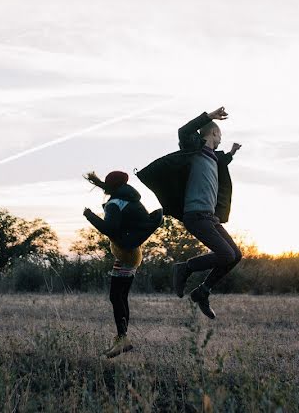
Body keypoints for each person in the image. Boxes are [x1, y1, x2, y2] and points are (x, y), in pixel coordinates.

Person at [135, 106, 242, 319]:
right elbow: (183, 131)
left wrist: (231, 153)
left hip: (210, 218)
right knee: (225, 254)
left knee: (235, 256)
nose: (221, 139)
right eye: (220, 135)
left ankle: (202, 291)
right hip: (195, 215)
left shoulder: (213, 157)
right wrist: (208, 117)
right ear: (213, 133)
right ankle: (185, 268)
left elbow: (220, 162)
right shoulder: (194, 149)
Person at [83, 170, 163, 358]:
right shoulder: (128, 199)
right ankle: (122, 338)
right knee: (120, 297)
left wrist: (89, 216)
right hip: (131, 254)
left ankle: (122, 339)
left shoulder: (115, 203)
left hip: (127, 255)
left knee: (115, 296)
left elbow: (109, 228)